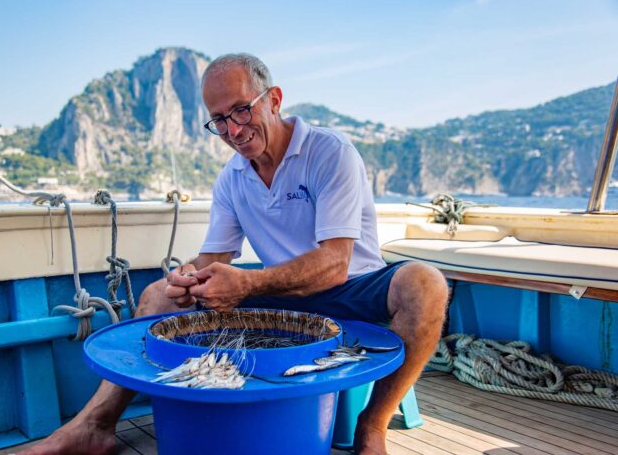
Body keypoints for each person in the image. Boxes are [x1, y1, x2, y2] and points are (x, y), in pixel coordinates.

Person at [23, 53, 448, 455]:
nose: (233, 129)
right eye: (219, 120)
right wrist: (188, 276)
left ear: (274, 100)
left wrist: (248, 282)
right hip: (278, 292)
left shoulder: (329, 153)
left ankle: (371, 426)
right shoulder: (232, 177)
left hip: (350, 286)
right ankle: (95, 426)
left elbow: (335, 263)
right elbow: (217, 254)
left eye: (242, 110)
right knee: (157, 296)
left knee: (425, 284)